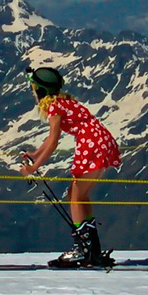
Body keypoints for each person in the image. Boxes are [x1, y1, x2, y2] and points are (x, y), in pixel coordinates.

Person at [19, 67, 121, 267]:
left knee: (75, 195)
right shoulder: (66, 102)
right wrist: (35, 154)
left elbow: (54, 140)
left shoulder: (54, 108)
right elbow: (50, 140)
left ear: (40, 91)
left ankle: (82, 250)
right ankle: (92, 249)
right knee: (79, 194)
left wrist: (33, 168)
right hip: (101, 140)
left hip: (90, 142)